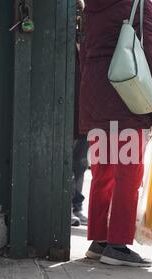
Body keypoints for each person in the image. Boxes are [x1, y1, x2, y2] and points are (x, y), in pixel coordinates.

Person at [79, 0, 152, 267]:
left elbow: (83, 55)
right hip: (127, 99)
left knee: (102, 173)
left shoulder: (91, 7)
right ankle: (118, 245)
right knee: (129, 176)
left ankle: (99, 241)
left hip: (94, 101)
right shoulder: (137, 4)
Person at [71, 0, 88, 227]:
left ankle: (77, 205)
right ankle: (66, 207)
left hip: (86, 111)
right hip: (70, 108)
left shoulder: (87, 41)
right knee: (67, 159)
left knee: (81, 161)